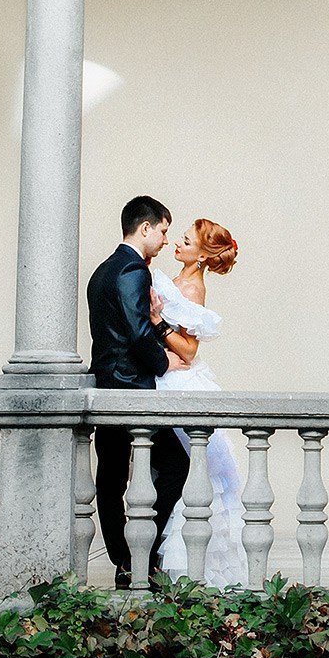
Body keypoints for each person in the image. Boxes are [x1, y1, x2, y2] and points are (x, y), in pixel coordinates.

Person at [86, 195, 191, 588]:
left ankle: (124, 562)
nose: (165, 241)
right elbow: (136, 330)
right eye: (163, 231)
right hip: (132, 390)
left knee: (111, 477)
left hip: (107, 384)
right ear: (145, 228)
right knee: (176, 465)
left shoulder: (102, 271)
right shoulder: (133, 270)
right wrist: (166, 362)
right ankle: (134, 557)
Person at [153, 218, 250, 586]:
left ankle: (201, 567)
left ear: (201, 255)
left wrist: (158, 323)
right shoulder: (174, 281)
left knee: (197, 469)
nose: (178, 244)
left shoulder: (193, 289)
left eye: (187, 241)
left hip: (180, 379)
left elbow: (189, 351)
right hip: (167, 375)